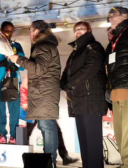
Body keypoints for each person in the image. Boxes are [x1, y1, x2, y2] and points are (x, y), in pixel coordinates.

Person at [9, 20, 60, 167]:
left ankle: (50, 163)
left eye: (30, 31)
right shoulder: (43, 45)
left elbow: (38, 69)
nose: (30, 34)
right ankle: (49, 161)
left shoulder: (44, 46)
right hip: (43, 92)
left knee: (48, 127)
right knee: (45, 127)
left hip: (45, 92)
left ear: (37, 31)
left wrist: (18, 59)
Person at [60, 21, 107, 168]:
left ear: (89, 30)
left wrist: (70, 83)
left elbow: (91, 67)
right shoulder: (75, 52)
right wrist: (63, 84)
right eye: (76, 29)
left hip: (91, 100)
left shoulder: (94, 46)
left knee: (93, 144)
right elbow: (66, 73)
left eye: (81, 29)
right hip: (78, 101)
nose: (78, 31)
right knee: (84, 143)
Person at [0, 21, 24, 144]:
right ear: (1, 31)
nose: (9, 33)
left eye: (11, 31)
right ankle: (2, 135)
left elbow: (24, 65)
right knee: (1, 109)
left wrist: (17, 67)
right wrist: (1, 64)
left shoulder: (17, 46)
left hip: (14, 80)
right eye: (6, 31)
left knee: (14, 109)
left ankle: (13, 136)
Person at [106, 6, 128, 167]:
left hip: (126, 90)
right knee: (120, 135)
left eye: (114, 14)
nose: (110, 17)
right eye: (109, 15)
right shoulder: (115, 40)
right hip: (116, 92)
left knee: (126, 135)